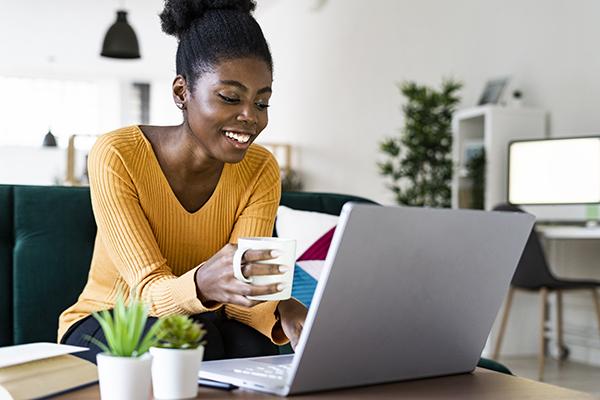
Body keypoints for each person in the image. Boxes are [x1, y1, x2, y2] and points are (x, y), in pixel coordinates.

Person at [58, 0, 307, 363]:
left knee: (256, 348)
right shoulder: (117, 154)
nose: (250, 117)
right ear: (181, 92)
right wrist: (203, 282)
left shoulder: (261, 169)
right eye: (230, 97)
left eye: (262, 103)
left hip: (203, 320)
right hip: (110, 320)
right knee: (191, 341)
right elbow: (144, 292)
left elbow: (240, 295)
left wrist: (281, 309)